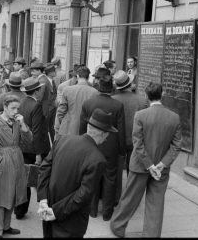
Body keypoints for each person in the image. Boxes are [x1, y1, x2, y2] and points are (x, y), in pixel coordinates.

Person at [110, 82, 182, 238]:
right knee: (156, 203)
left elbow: (138, 143)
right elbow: (176, 146)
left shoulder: (140, 115)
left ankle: (118, 227)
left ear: (146, 96)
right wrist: (161, 165)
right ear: (162, 95)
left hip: (140, 165)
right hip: (162, 168)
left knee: (130, 199)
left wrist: (150, 166)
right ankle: (151, 234)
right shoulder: (174, 117)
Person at [37, 108, 117, 238]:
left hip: (48, 213)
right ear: (102, 134)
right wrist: (55, 212)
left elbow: (44, 169)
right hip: (71, 222)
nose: (108, 137)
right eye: (107, 133)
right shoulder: (98, 159)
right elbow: (83, 194)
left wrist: (43, 199)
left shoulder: (62, 140)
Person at [0, 94, 33, 238]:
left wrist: (23, 125)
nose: (16, 111)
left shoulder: (17, 122)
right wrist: (0, 161)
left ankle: (5, 226)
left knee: (12, 196)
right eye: (12, 108)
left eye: (17, 108)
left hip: (17, 161)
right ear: (4, 107)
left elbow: (29, 141)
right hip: (3, 165)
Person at [80, 76, 126, 221]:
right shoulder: (117, 105)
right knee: (110, 178)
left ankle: (92, 210)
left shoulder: (88, 103)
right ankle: (107, 213)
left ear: (98, 87)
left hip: (91, 144)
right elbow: (120, 130)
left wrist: (81, 143)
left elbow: (82, 127)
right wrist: (121, 150)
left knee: (92, 177)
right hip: (110, 147)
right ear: (112, 88)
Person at [14, 77, 51, 220]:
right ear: (36, 91)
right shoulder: (36, 106)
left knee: (22, 179)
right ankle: (23, 208)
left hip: (21, 145)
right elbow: (36, 131)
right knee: (32, 178)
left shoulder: (21, 102)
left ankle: (19, 209)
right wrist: (38, 153)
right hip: (31, 147)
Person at [112, 70, 148, 176]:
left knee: (116, 169)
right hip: (135, 139)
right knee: (132, 169)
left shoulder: (113, 99)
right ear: (130, 84)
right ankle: (130, 189)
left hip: (117, 139)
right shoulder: (142, 100)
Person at [54, 66, 97, 137]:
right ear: (88, 77)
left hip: (68, 129)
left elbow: (61, 112)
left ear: (77, 76)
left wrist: (65, 124)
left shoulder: (67, 90)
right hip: (86, 131)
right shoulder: (95, 92)